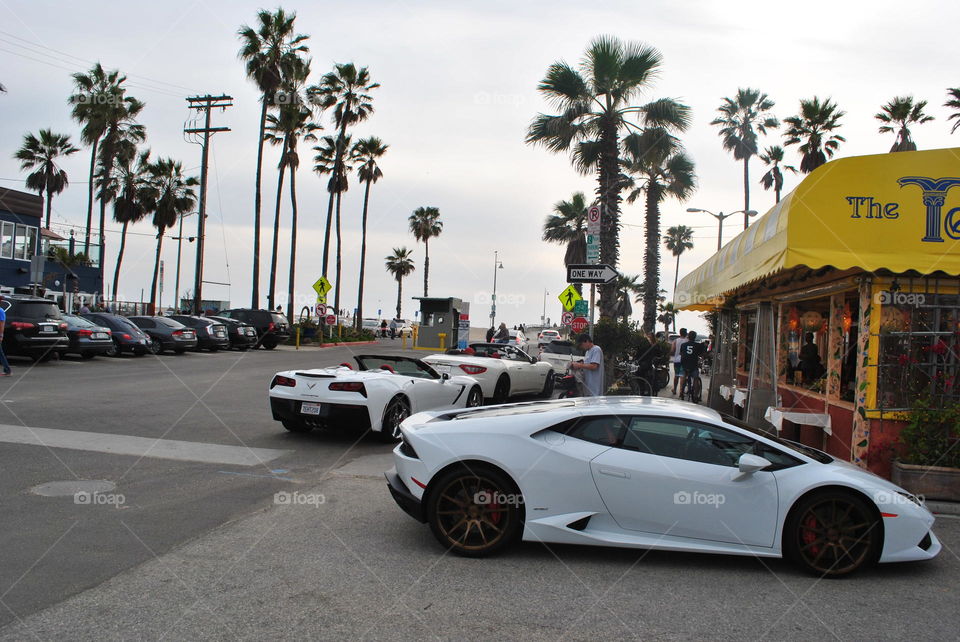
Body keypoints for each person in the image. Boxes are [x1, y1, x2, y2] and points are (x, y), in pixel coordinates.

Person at [678, 331, 706, 399]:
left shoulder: (683, 345)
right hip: (693, 364)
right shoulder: (698, 345)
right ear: (695, 337)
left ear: (688, 336)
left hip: (684, 364)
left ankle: (681, 392)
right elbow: (701, 354)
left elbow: (681, 353)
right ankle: (696, 396)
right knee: (696, 379)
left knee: (683, 377)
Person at [670, 328, 688, 395]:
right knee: (682, 376)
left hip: (677, 360)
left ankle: (674, 389)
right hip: (685, 360)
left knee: (676, 375)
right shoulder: (687, 341)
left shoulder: (675, 341)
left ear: (680, 333)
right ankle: (681, 391)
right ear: (686, 333)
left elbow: (672, 351)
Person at [0, 296, 10, 376]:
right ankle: (7, 370)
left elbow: (2, 324)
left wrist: (1, 335)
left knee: (0, 353)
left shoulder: (1, 311)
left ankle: (7, 370)